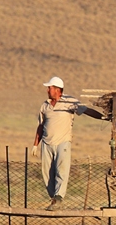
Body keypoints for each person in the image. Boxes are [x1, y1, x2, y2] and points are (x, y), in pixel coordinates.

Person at [32, 76, 105, 210]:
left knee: (62, 169)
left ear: (58, 90)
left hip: (63, 142)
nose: (48, 90)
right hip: (47, 143)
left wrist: (104, 118)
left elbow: (86, 110)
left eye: (51, 88)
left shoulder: (69, 101)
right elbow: (41, 126)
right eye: (48, 88)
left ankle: (59, 197)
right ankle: (53, 198)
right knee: (47, 172)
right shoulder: (45, 105)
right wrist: (35, 144)